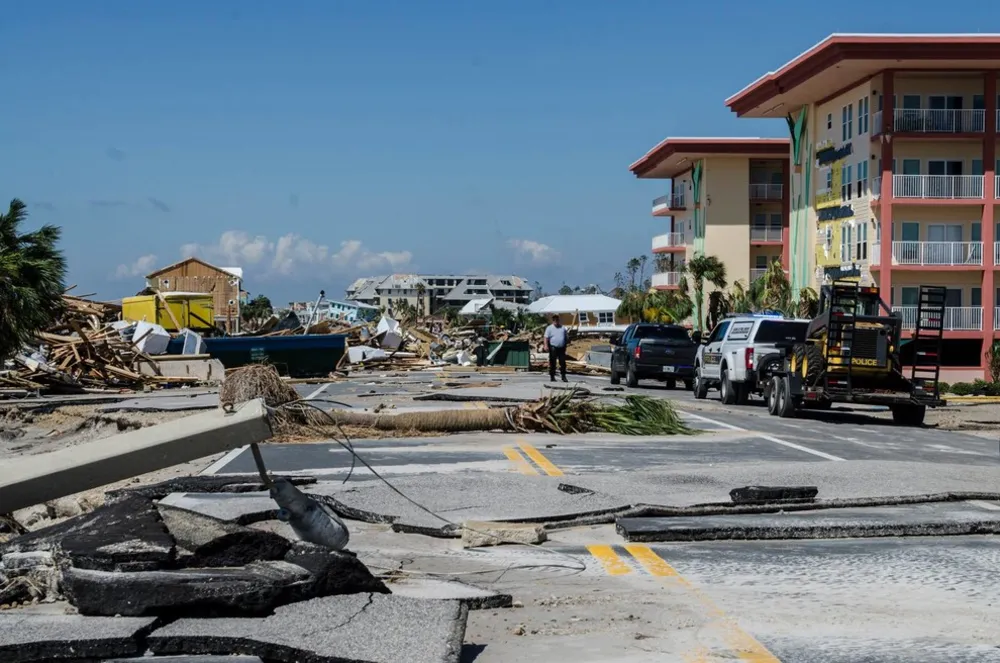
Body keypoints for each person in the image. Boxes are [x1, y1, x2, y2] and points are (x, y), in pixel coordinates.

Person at [543, 314, 568, 382]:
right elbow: (546, 337)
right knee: (553, 362)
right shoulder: (549, 328)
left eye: (557, 319)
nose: (556, 321)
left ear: (558, 320)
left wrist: (566, 346)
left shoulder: (563, 328)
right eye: (554, 320)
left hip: (561, 347)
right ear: (553, 320)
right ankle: (552, 376)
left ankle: (563, 376)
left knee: (562, 362)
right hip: (553, 347)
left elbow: (566, 337)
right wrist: (545, 345)